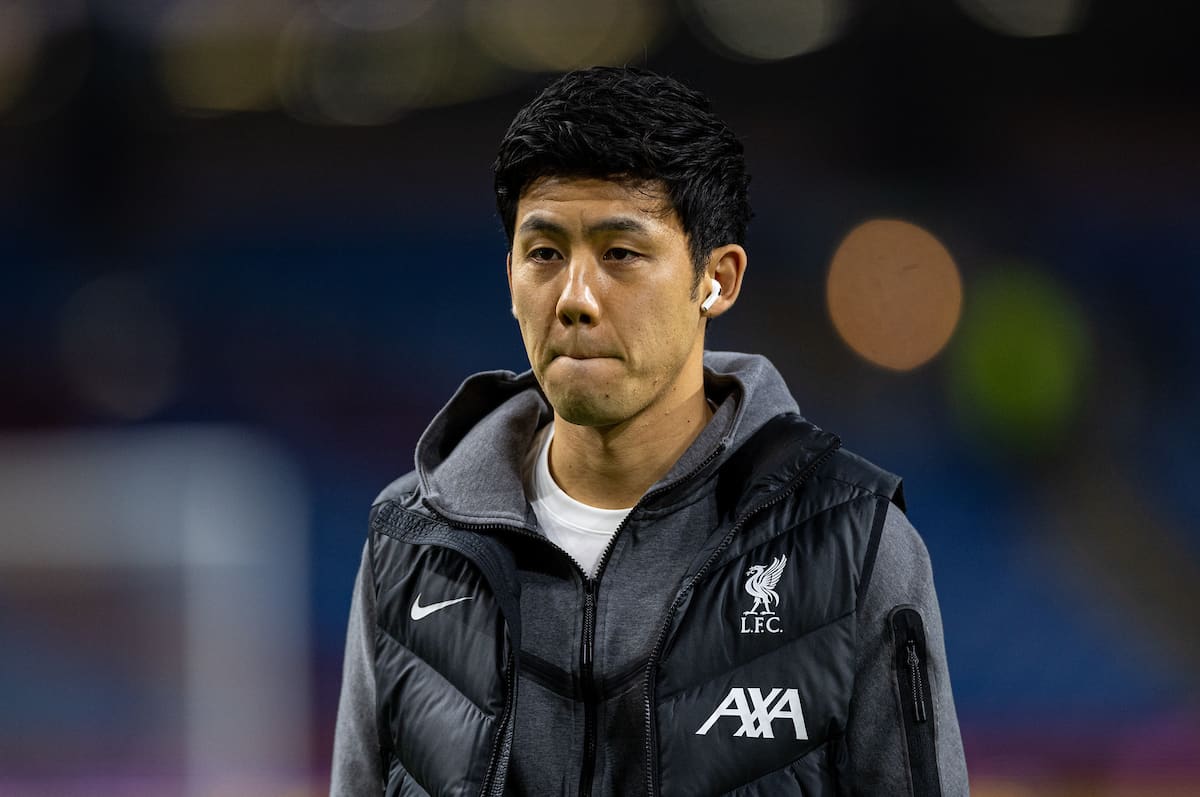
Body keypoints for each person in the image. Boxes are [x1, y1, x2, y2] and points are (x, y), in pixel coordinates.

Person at [331, 66, 967, 796]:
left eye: (620, 254)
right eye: (544, 254)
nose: (574, 297)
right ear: (510, 276)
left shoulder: (853, 545)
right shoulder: (409, 548)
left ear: (717, 280)